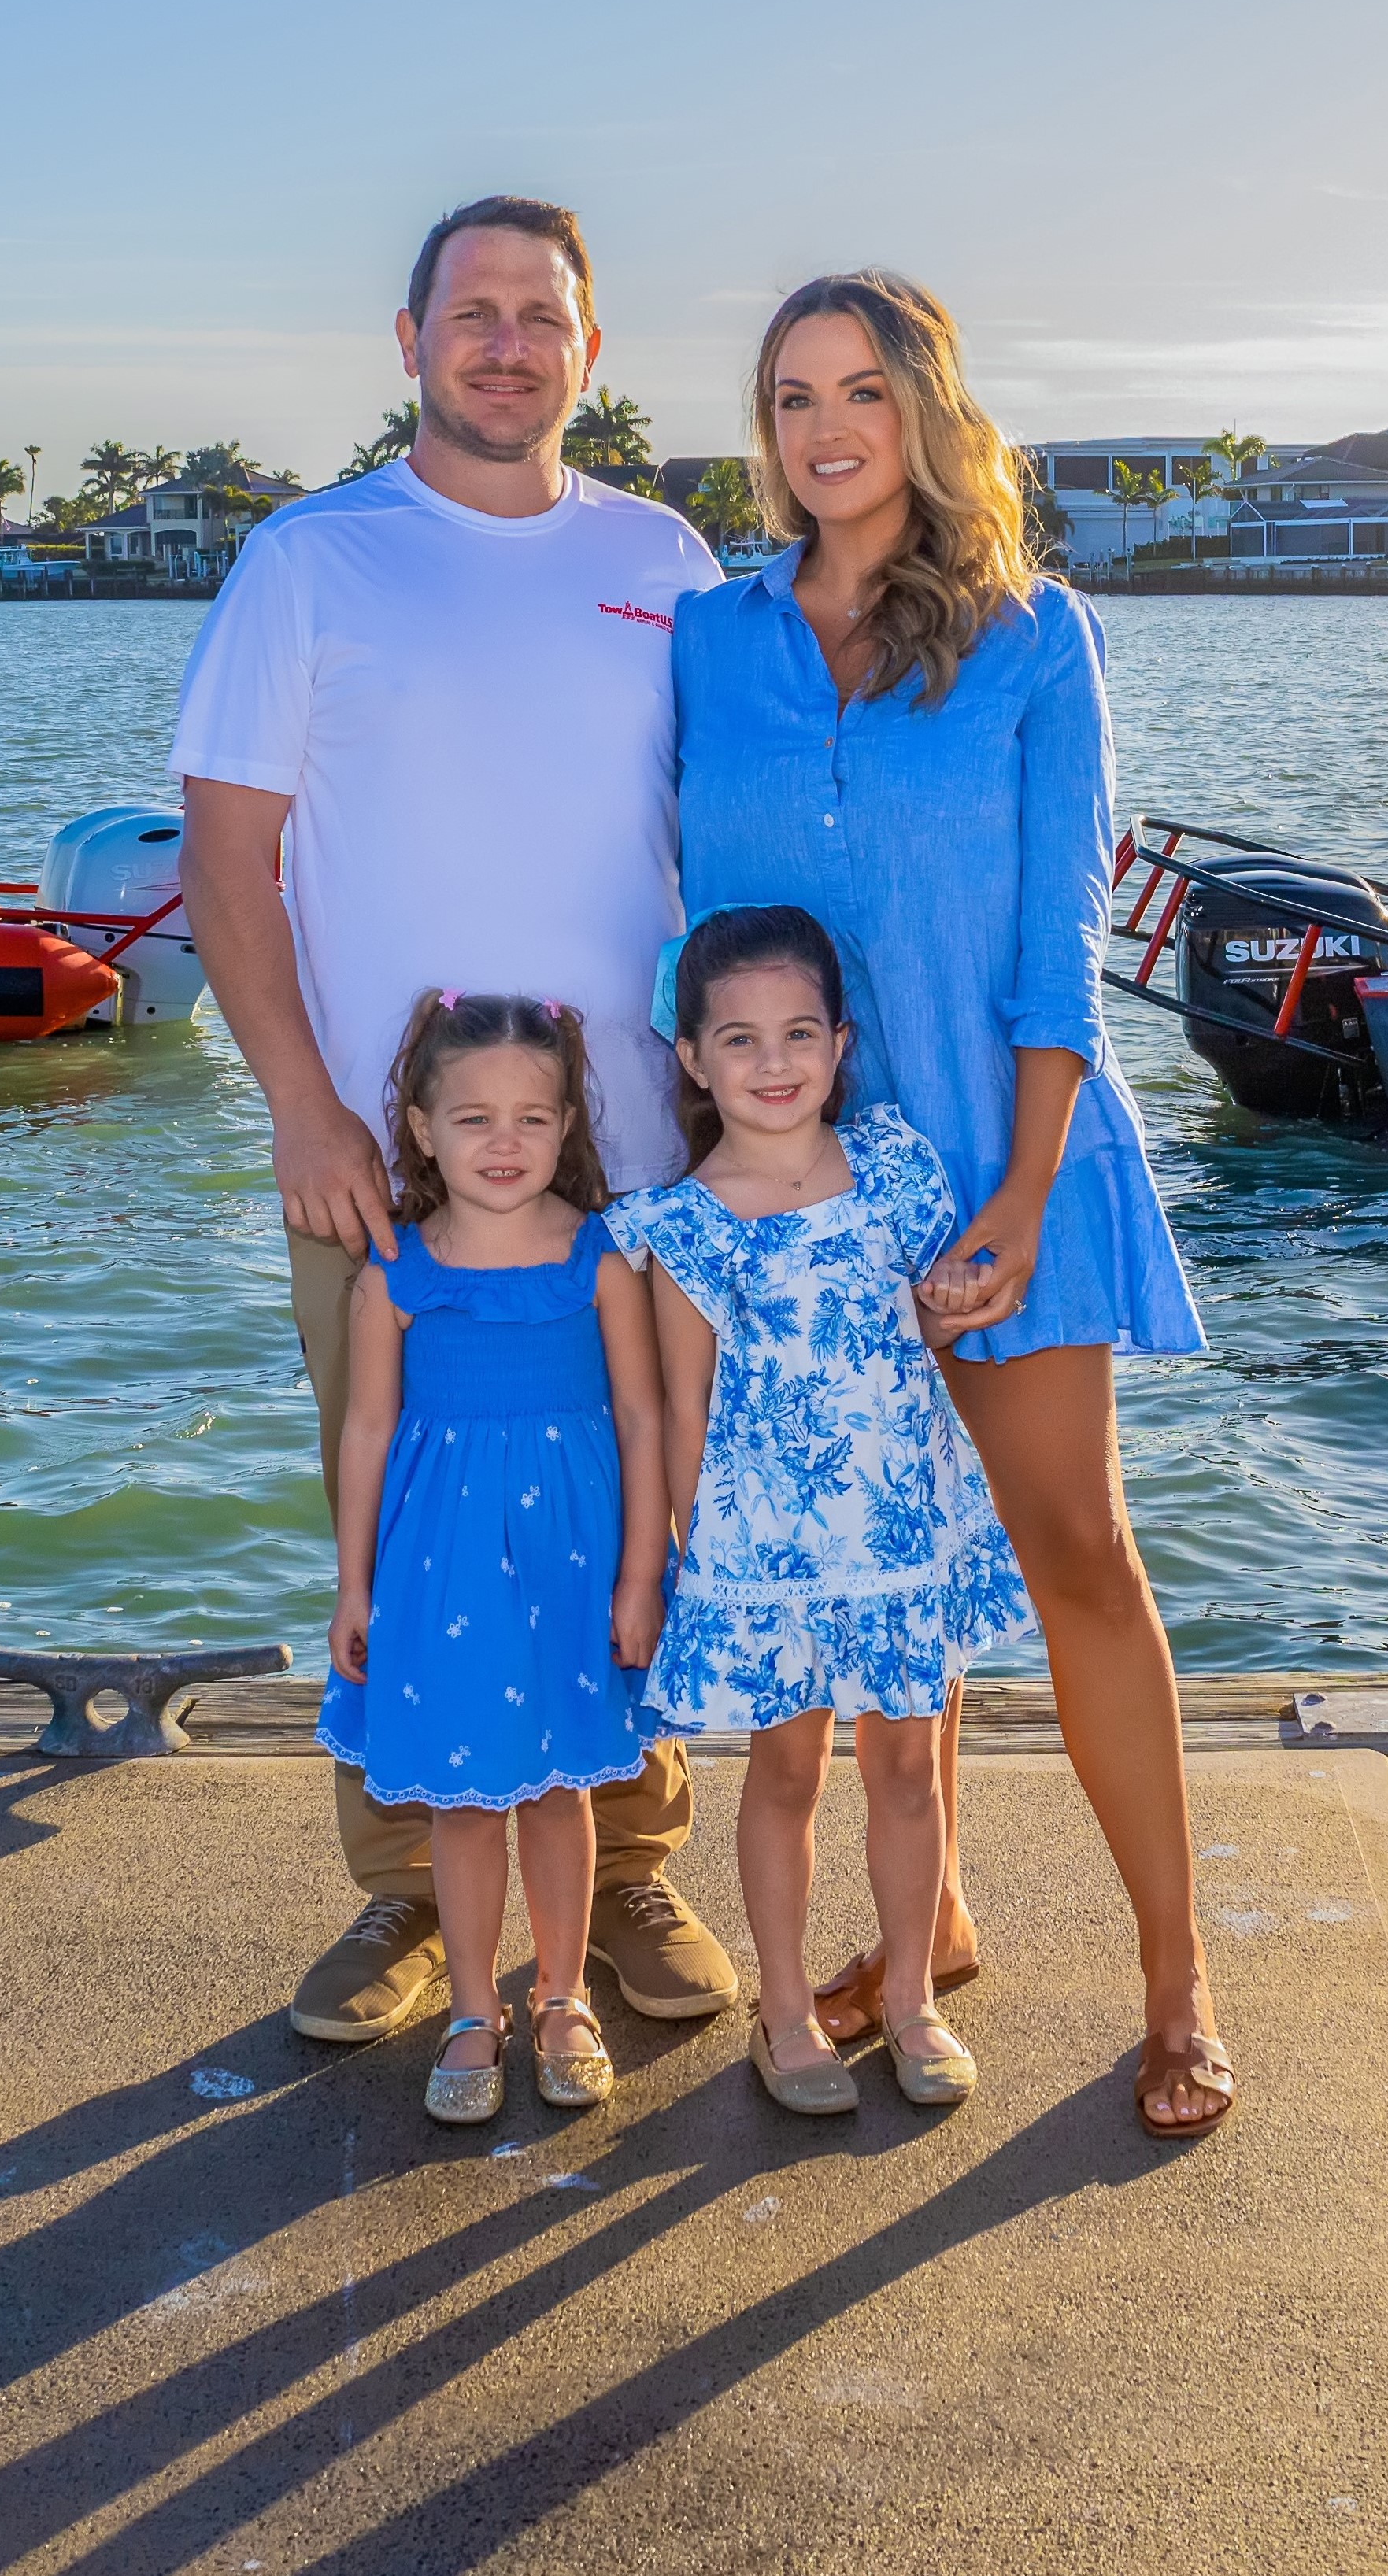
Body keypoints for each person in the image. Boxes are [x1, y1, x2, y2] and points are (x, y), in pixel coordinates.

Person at [664, 271, 1232, 2142]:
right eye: (788, 397)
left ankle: (1175, 1981)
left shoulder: (1029, 635)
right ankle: (943, 1929)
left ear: (922, 405)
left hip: (1012, 1171)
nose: (822, 429)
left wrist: (1014, 1192)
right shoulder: (703, 639)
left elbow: (1055, 939)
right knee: (868, 1592)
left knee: (1073, 1554)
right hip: (786, 1205)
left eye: (858, 391)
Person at [173, 197, 738, 2049]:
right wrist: (302, 1110)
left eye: (540, 316)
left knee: (623, 1516)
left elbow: (726, 847)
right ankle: (407, 1897)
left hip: (636, 1169)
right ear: (403, 337)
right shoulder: (308, 562)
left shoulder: (664, 555)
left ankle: (634, 1865)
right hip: (386, 1167)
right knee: (411, 1528)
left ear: (590, 349)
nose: (505, 344)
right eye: (470, 312)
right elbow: (226, 862)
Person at [613, 907, 1022, 2117]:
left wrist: (955, 1302)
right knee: (784, 1776)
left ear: (841, 1042)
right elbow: (679, 1409)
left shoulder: (894, 1164)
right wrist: (691, 1562)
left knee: (908, 1771)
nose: (773, 1064)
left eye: (798, 1033)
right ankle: (783, 2011)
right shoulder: (680, 1225)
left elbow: (927, 1326)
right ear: (688, 1058)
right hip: (765, 1553)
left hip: (902, 1530)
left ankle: (909, 1998)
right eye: (738, 1041)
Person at [325, 992, 669, 2127]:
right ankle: (475, 2009)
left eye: (533, 1116)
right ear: (419, 1128)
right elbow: (367, 1432)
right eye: (473, 1119)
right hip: (445, 1571)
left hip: (573, 1565)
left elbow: (637, 1418)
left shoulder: (599, 1257)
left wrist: (639, 1576)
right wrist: (354, 1585)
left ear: (567, 1119)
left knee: (563, 1785)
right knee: (466, 1803)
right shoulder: (394, 1275)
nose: (505, 1143)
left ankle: (563, 1995)